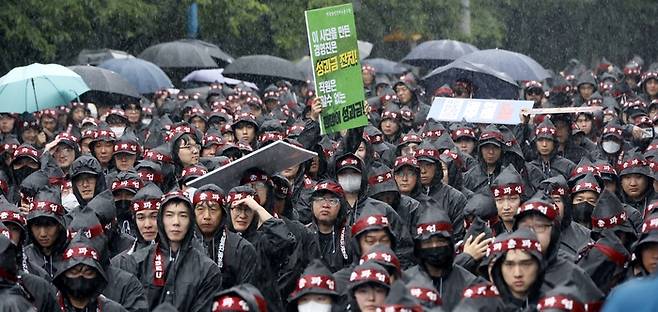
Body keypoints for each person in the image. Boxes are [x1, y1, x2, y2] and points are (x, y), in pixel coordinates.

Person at [122, 190, 222, 312]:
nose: (176, 222)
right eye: (169, 215)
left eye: (183, 216)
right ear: (161, 220)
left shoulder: (207, 269)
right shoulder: (137, 261)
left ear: (191, 221)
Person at [404, 208, 480, 311]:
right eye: (428, 242)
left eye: (440, 241)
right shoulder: (404, 283)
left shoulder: (470, 283)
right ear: (419, 246)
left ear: (450, 242)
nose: (434, 247)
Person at [192, 184, 257, 289]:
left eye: (213, 209)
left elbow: (247, 292)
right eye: (200, 209)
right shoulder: (185, 245)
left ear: (223, 213)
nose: (207, 216)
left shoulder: (242, 248)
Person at [53, 233, 128, 311]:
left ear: (97, 276)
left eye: (87, 272)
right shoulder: (49, 307)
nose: (80, 276)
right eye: (74, 272)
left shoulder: (113, 310)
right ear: (63, 276)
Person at [488, 229, 544, 311]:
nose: (517, 274)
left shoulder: (556, 302)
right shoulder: (483, 305)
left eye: (525, 264)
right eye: (509, 264)